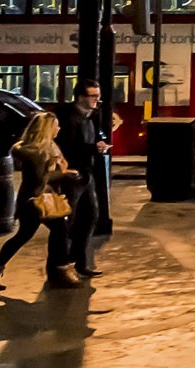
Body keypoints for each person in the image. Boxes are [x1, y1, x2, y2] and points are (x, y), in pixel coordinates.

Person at [0, 111, 80, 290]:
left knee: (24, 235)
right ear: (47, 129)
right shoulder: (37, 153)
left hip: (37, 199)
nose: (59, 128)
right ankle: (60, 271)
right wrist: (65, 175)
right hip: (35, 201)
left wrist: (63, 173)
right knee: (59, 228)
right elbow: (41, 177)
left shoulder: (47, 148)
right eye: (56, 125)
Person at [55, 81, 108, 277]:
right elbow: (69, 147)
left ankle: (79, 261)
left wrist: (98, 143)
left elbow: (93, 137)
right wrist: (95, 148)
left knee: (90, 216)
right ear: (80, 97)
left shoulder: (92, 115)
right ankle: (61, 264)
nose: (97, 100)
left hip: (86, 172)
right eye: (93, 96)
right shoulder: (69, 117)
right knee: (66, 220)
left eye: (98, 96)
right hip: (72, 174)